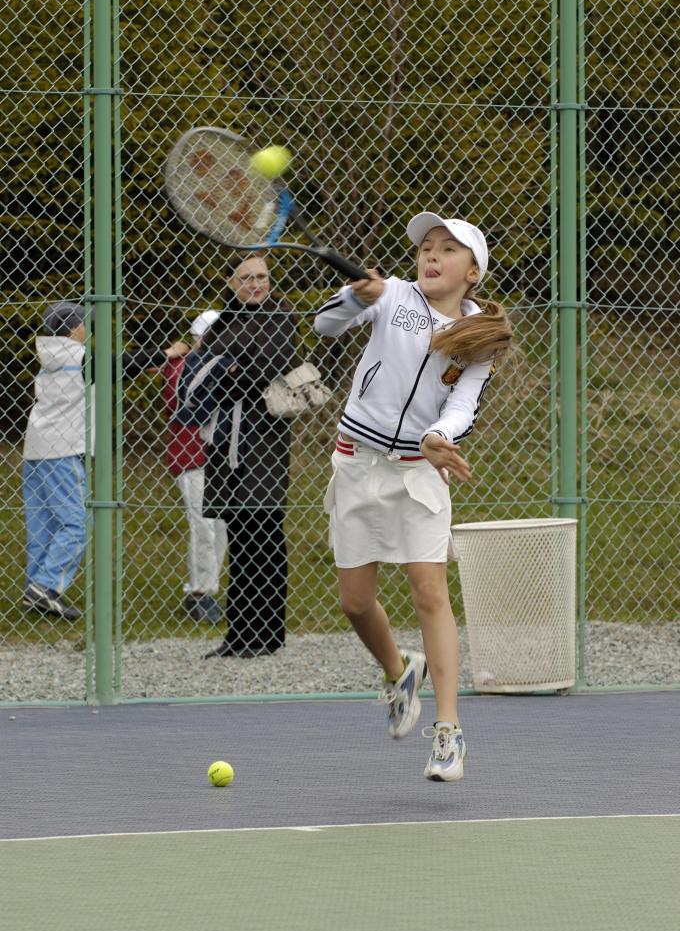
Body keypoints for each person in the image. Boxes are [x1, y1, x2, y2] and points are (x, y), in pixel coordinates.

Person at [314, 214, 513, 781]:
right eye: (427, 247)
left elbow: (461, 407)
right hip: (356, 464)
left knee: (430, 593)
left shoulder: (481, 338)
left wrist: (437, 439)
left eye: (448, 250)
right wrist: (356, 297)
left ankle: (448, 732)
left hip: (418, 473)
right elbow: (325, 326)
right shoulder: (392, 296)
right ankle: (400, 671)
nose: (432, 256)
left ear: (471, 272)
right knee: (354, 602)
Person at [22, 301, 185, 621]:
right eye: (85, 324)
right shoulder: (78, 356)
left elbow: (113, 367)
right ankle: (46, 585)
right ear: (73, 329)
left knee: (44, 523)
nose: (88, 329)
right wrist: (165, 353)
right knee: (78, 520)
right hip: (62, 450)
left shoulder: (54, 356)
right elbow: (118, 363)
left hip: (36, 449)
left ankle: (35, 589)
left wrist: (140, 364)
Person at [178, 253, 297, 658]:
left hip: (264, 445)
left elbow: (266, 368)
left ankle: (268, 635)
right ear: (231, 282)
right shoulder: (226, 320)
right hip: (227, 446)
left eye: (262, 276)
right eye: (246, 278)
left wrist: (227, 370)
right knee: (241, 537)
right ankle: (239, 636)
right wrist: (226, 369)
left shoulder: (280, 314)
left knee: (265, 536)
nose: (256, 284)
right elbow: (202, 367)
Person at [161, 310, 228, 624]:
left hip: (222, 457)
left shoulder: (228, 364)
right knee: (203, 525)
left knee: (222, 528)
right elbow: (179, 399)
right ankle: (201, 593)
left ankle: (204, 589)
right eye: (207, 336)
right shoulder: (181, 365)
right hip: (191, 457)